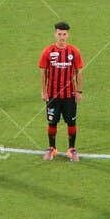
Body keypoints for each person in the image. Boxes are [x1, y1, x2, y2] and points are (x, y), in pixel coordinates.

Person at [39, 20, 84, 162]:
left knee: (71, 122)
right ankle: (52, 148)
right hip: (52, 95)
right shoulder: (48, 51)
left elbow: (78, 72)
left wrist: (79, 91)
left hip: (69, 95)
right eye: (59, 34)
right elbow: (43, 73)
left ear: (68, 35)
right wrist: (43, 91)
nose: (62, 37)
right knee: (52, 122)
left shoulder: (74, 51)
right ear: (55, 34)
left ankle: (71, 149)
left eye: (64, 34)